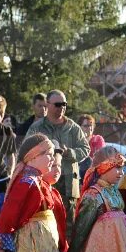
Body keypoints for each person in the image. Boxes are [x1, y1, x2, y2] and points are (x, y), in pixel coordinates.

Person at [27, 89, 90, 235]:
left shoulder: (73, 128)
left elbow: (85, 149)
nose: (62, 108)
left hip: (68, 183)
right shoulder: (37, 128)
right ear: (48, 105)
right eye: (57, 104)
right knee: (45, 224)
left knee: (68, 229)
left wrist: (70, 153)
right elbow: (27, 151)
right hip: (44, 183)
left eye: (64, 104)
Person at [77, 113, 105, 182]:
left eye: (91, 125)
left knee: (88, 160)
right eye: (86, 126)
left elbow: (100, 157)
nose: (89, 128)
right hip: (78, 173)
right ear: (79, 127)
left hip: (94, 172)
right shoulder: (76, 141)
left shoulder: (98, 139)